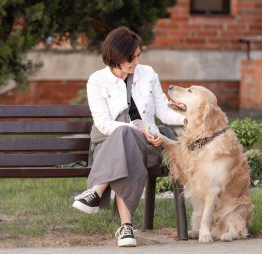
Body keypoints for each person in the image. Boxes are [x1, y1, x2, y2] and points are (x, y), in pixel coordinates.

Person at [72, 26, 185, 247]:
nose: (135, 62)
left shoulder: (148, 74)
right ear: (114, 58)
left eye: (138, 56)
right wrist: (137, 130)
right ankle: (126, 227)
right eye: (130, 58)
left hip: (148, 146)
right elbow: (103, 125)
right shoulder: (97, 81)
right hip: (107, 144)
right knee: (124, 135)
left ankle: (96, 192)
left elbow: (162, 112)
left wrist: (188, 117)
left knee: (128, 141)